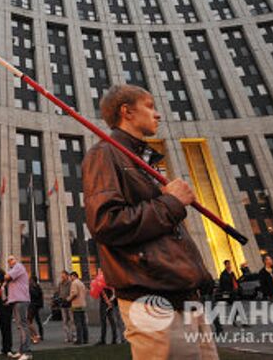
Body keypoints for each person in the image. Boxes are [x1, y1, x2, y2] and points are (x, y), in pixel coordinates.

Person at [82, 84, 216, 359]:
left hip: (184, 295)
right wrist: (172, 203)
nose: (158, 115)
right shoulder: (104, 154)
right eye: (150, 106)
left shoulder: (143, 161)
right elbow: (106, 222)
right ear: (127, 111)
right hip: (152, 299)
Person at [4, 255, 31, 360]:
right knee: (20, 326)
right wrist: (8, 300)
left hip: (21, 300)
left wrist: (0, 274)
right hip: (16, 300)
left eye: (12, 259)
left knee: (23, 325)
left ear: (16, 260)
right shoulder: (13, 270)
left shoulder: (18, 266)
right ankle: (21, 351)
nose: (10, 262)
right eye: (8, 260)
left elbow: (6, 277)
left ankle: (27, 352)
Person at [67, 272, 88, 345]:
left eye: (70, 277)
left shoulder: (74, 283)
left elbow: (74, 293)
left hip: (76, 305)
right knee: (83, 323)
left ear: (73, 276)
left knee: (78, 323)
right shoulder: (81, 283)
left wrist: (69, 299)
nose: (70, 278)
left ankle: (79, 340)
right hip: (83, 304)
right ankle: (86, 339)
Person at [57, 270, 75, 343]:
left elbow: (72, 293)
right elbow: (58, 292)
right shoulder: (60, 284)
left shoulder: (71, 283)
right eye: (62, 276)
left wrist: (68, 299)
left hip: (70, 303)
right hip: (63, 304)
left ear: (67, 276)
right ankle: (67, 337)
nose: (62, 277)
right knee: (65, 321)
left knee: (72, 320)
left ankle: (74, 336)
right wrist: (59, 299)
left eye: (64, 276)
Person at [27, 275, 44, 343]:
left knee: (30, 321)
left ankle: (37, 335)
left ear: (33, 280)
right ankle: (34, 335)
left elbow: (37, 295)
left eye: (30, 280)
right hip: (33, 305)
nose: (29, 281)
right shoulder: (33, 287)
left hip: (34, 305)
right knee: (33, 320)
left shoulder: (35, 287)